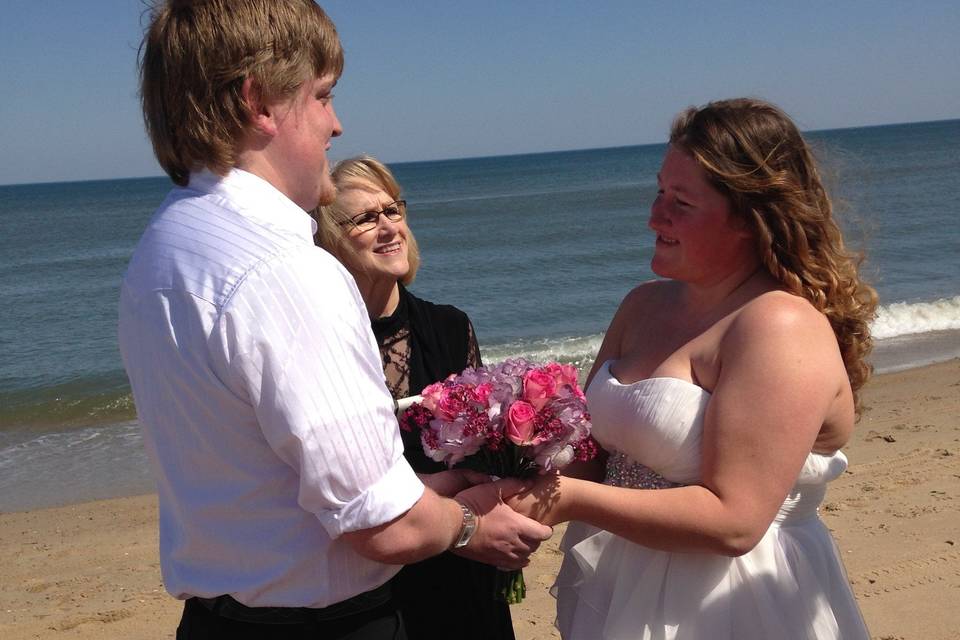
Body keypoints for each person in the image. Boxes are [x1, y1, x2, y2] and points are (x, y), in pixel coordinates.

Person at [119, 2, 550, 639]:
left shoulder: (163, 248)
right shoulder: (286, 271)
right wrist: (469, 524)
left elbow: (263, 477)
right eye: (322, 96)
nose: (336, 124)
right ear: (258, 103)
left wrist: (432, 483)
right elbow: (385, 527)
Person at [506, 98, 877, 639]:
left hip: (734, 602)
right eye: (660, 191)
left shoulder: (778, 325)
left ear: (752, 219)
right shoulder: (643, 305)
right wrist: (508, 481)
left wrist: (562, 501)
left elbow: (735, 522)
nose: (655, 216)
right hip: (621, 579)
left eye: (681, 202)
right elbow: (591, 455)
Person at [313, 156, 515, 640]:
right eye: (365, 218)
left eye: (393, 210)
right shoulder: (319, 341)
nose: (388, 228)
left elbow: (484, 453)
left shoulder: (449, 327)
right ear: (329, 238)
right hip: (370, 575)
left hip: (458, 557)